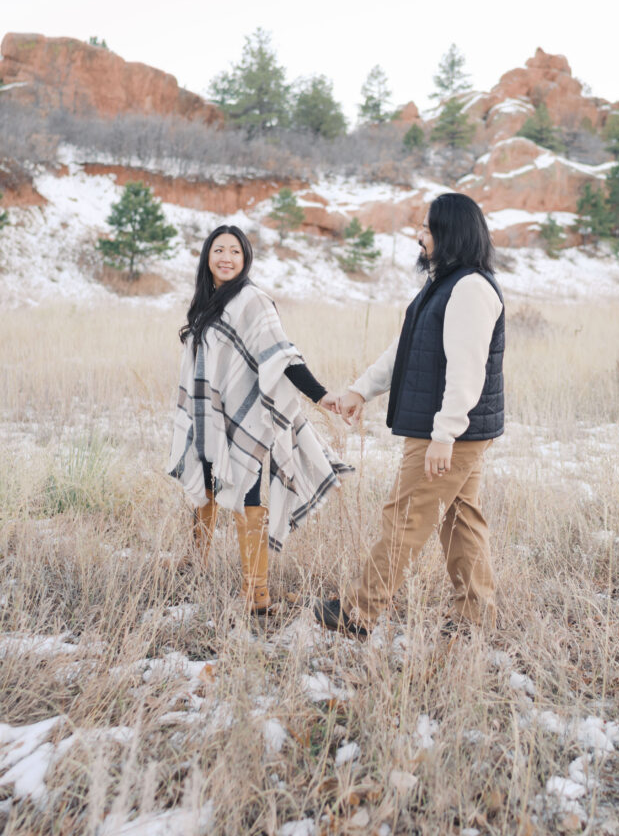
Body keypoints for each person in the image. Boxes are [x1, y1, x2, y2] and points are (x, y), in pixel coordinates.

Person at [315, 192, 504, 637]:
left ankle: (360, 611)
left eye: (427, 228)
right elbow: (405, 350)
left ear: (449, 233)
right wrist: (361, 389)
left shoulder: (469, 289)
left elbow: (466, 369)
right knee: (461, 519)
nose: (420, 237)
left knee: (406, 515)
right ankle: (475, 616)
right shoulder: (445, 285)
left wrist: (445, 434)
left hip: (449, 431)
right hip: (453, 429)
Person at [168, 224, 350, 613]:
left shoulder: (253, 301)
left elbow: (282, 356)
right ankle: (195, 565)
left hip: (244, 416)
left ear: (245, 258)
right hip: (207, 413)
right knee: (206, 484)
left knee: (245, 486)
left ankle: (257, 594)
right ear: (207, 257)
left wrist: (321, 394)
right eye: (219, 250)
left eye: (235, 251)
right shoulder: (207, 301)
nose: (227, 258)